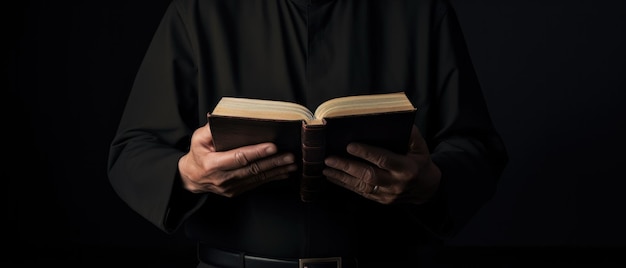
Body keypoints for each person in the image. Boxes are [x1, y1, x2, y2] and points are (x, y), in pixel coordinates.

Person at [107, 0, 508, 267]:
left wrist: (432, 182)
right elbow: (132, 151)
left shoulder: (420, 9)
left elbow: (478, 148)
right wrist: (185, 174)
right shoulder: (198, 8)